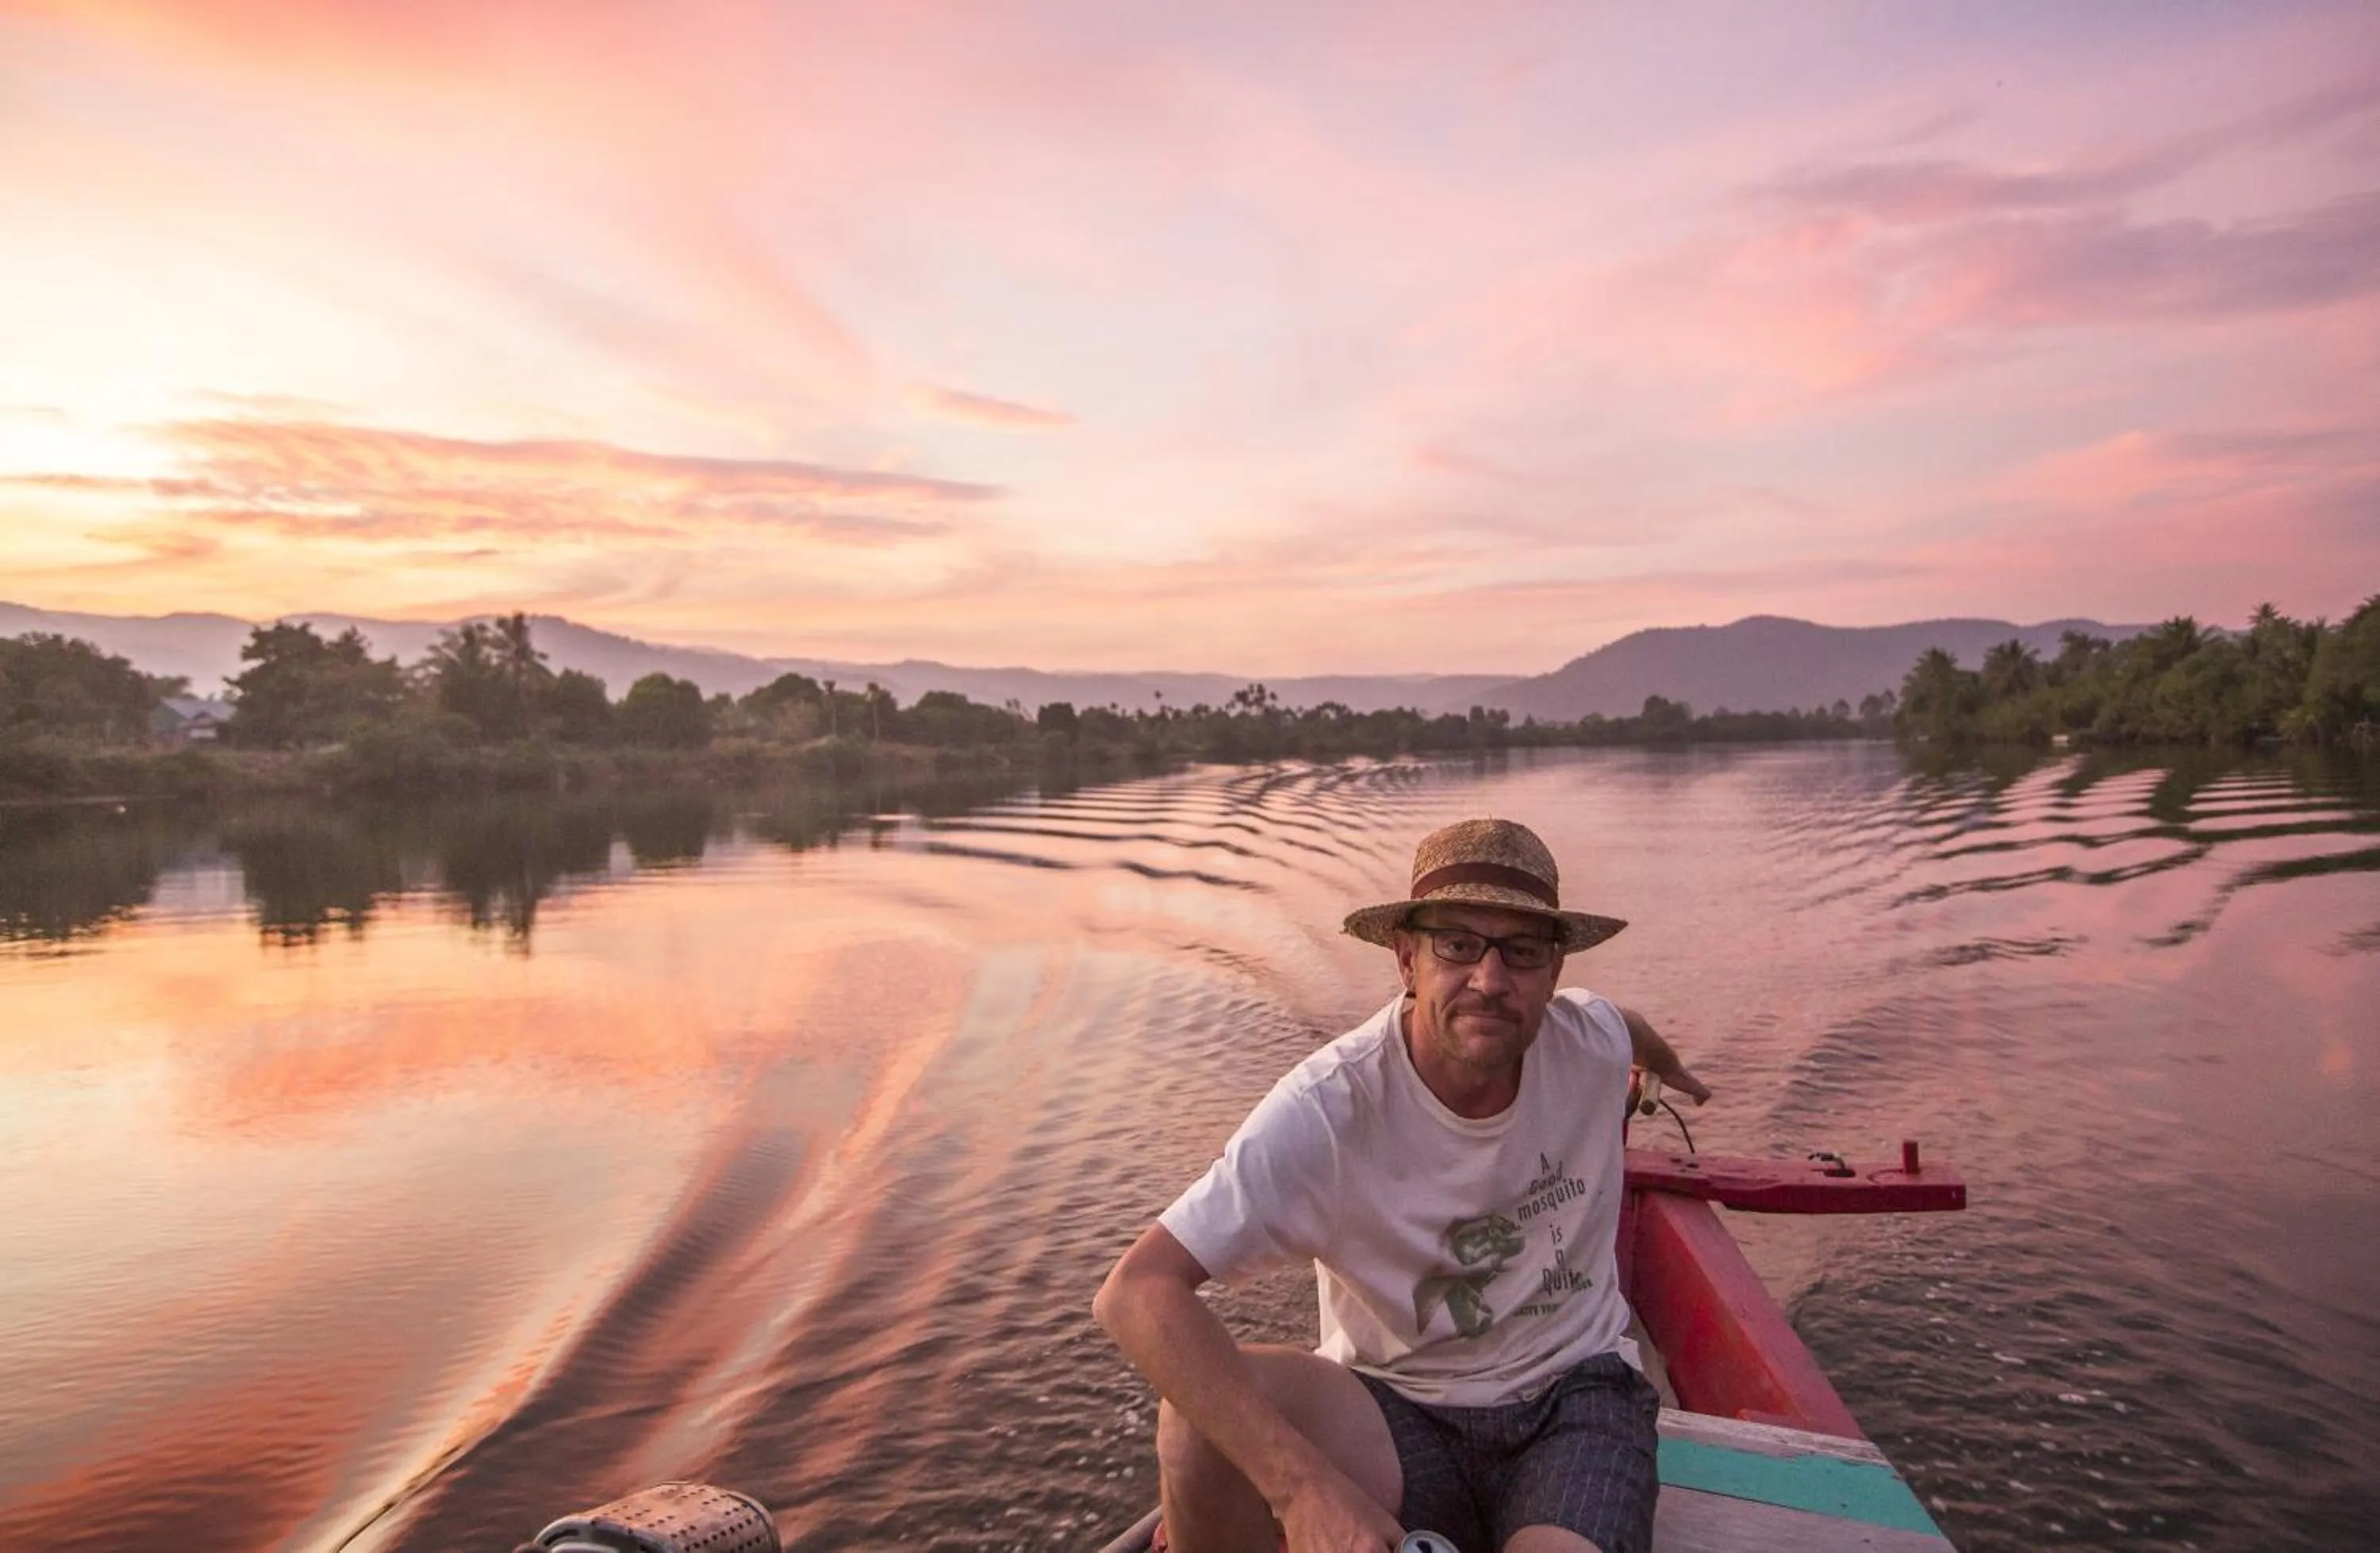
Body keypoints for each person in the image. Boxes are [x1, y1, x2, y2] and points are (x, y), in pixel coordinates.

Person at [1094, 817, 1710, 1553]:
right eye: (1456, 945)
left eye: (1521, 952)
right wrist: (1304, 1491)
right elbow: (1136, 1291)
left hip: (1574, 1395)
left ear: (1553, 973)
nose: (1489, 981)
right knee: (1195, 1426)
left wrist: (1671, 1073)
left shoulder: (1591, 1041)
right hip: (1394, 1412)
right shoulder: (1332, 1106)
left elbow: (1631, 1029)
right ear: (1406, 960)